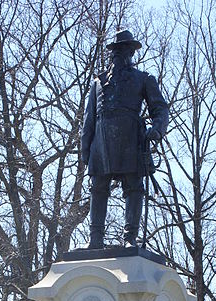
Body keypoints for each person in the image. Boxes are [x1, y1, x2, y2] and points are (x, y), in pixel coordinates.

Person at [81, 30, 169, 249]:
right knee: (98, 187)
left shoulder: (143, 79)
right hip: (101, 140)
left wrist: (157, 129)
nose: (120, 54)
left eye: (124, 50)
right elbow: (89, 118)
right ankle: (95, 238)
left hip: (130, 138)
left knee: (133, 186)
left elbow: (160, 108)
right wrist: (85, 149)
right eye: (117, 50)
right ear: (113, 54)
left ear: (131, 52)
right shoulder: (98, 83)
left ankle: (129, 237)